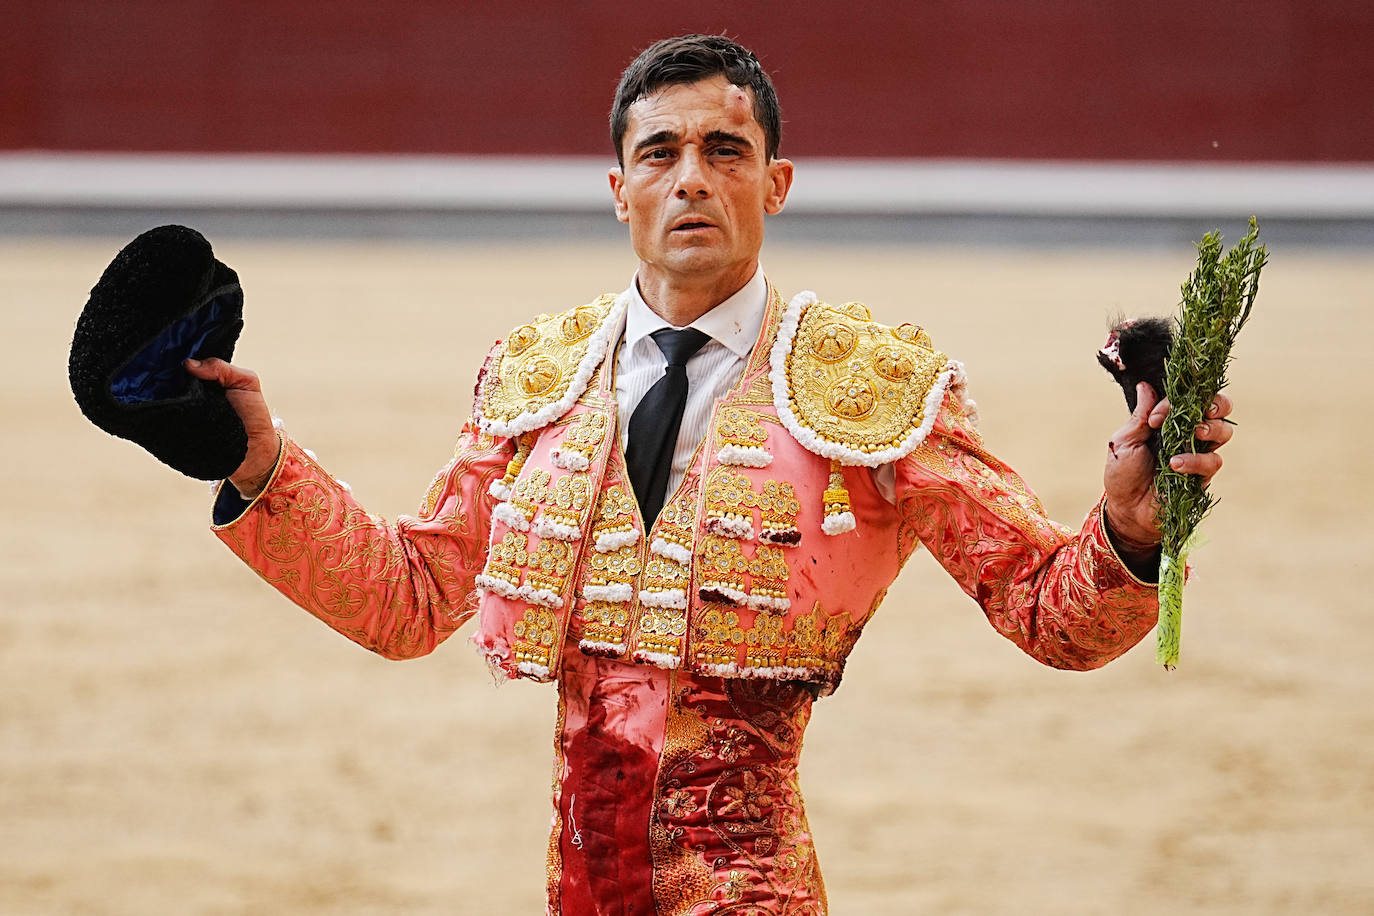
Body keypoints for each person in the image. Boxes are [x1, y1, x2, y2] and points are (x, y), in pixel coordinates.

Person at [185, 34, 1233, 915]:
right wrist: (258, 456)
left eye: (725, 149)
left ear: (775, 182)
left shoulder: (870, 390)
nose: (692, 176)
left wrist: (1133, 532)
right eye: (662, 152)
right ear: (619, 187)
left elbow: (1048, 613)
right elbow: (409, 601)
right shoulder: (536, 379)